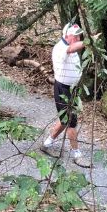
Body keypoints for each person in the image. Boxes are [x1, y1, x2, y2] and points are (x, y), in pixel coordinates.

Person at [44, 23, 86, 162]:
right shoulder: (61, 48)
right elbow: (72, 48)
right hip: (63, 89)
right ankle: (76, 153)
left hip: (72, 89)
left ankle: (47, 143)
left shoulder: (71, 49)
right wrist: (88, 41)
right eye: (76, 36)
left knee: (64, 120)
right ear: (68, 36)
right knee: (70, 121)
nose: (78, 38)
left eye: (80, 35)